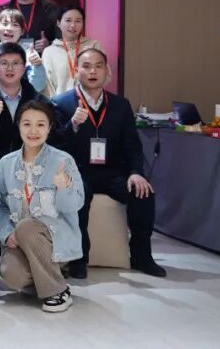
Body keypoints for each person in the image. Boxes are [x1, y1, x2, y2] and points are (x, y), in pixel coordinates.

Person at [52, 48, 165, 278]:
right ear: (76, 70)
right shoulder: (60, 103)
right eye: (86, 66)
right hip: (78, 171)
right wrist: (73, 125)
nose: (92, 71)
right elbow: (55, 146)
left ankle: (142, 256)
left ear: (107, 71)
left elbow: (132, 145)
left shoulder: (120, 105)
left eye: (98, 66)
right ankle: (78, 259)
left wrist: (136, 172)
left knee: (143, 193)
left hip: (113, 171)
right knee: (78, 195)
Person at [0, 42, 51, 279]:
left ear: (24, 68)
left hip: (32, 168)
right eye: (4, 63)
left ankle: (39, 256)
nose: (10, 68)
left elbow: (53, 135)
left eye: (16, 63)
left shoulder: (38, 100)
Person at [0, 100, 84, 313]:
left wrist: (65, 186)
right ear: (18, 126)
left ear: (49, 128)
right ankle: (50, 281)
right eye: (27, 124)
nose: (33, 131)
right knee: (11, 275)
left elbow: (75, 205)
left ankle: (57, 292)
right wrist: (6, 234)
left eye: (40, 124)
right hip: (19, 241)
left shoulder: (64, 160)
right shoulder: (5, 163)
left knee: (26, 226)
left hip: (54, 240)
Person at [42, 5, 102, 97]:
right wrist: (54, 104)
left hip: (90, 101)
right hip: (60, 103)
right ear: (58, 23)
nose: (73, 25)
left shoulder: (93, 46)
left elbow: (105, 75)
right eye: (68, 20)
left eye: (78, 21)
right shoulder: (49, 52)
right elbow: (48, 84)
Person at [0, 9, 48, 94]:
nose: (9, 28)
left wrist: (37, 66)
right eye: (5, 24)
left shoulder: (30, 53)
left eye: (15, 25)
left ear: (22, 31)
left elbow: (38, 87)